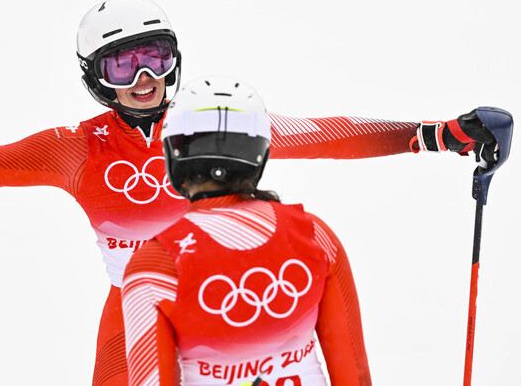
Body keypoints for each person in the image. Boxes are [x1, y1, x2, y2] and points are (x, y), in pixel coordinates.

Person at [0, 0, 495, 386]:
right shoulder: (76, 148)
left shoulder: (207, 122)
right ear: (94, 76)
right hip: (142, 302)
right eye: (122, 63)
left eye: (156, 57)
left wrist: (433, 134)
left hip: (231, 292)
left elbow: (329, 133)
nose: (144, 78)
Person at [122, 76, 370, 386]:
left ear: (175, 152)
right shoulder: (315, 236)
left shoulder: (153, 266)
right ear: (259, 153)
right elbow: (354, 376)